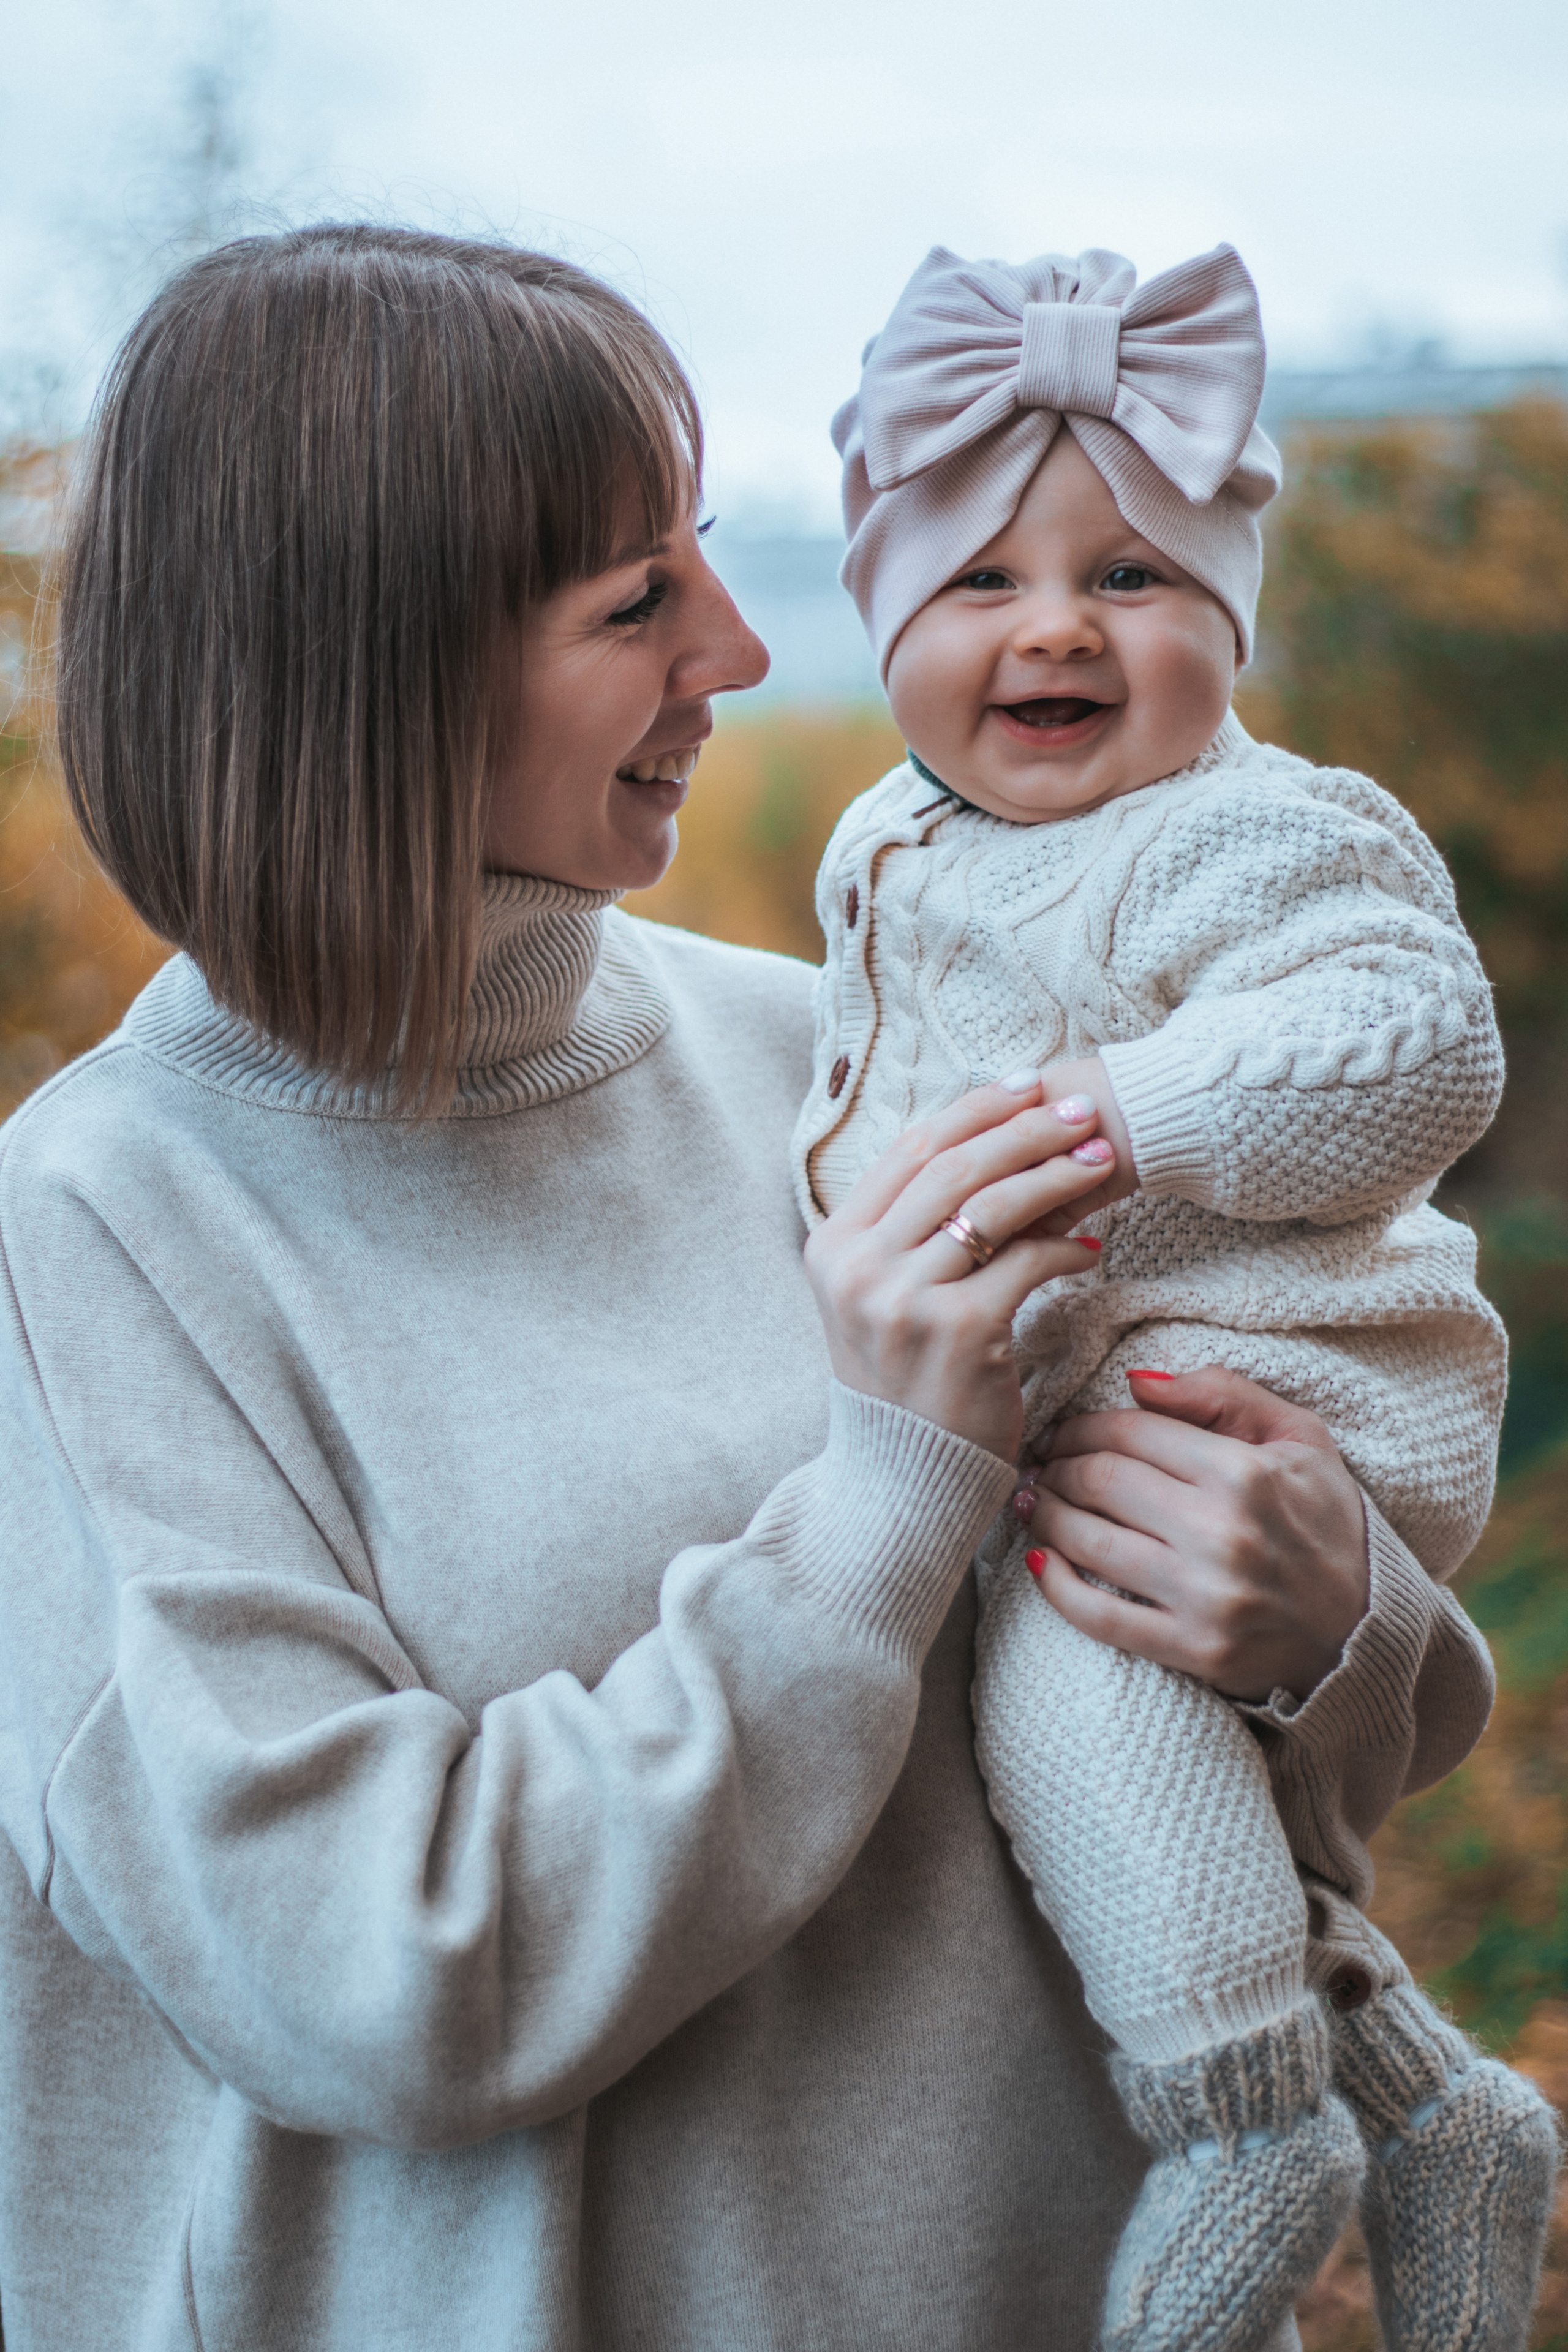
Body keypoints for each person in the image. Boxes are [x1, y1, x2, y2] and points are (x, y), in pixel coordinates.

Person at [0, 224, 1497, 2352]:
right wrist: (884, 1508)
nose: (738, 643)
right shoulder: (93, 1243)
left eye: (702, 554)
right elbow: (380, 1982)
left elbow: (1214, 1762)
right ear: (380, 672)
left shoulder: (851, 1063)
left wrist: (1328, 1630)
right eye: (639, 599)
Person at [794, 238, 1559, 2352]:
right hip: (1111, 1422)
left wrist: (1127, 1111)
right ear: (886, 620)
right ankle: (1437, 2117)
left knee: (1073, 1698)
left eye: (1132, 576)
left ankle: (1248, 2139)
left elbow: (1418, 1037)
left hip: (1236, 1416)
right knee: (1156, 1820)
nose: (1054, 625)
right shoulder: (895, 836)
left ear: (1231, 620)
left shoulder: (1254, 833)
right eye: (979, 583)